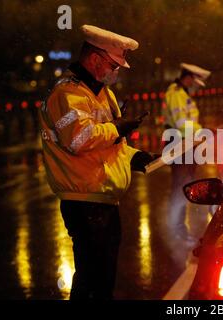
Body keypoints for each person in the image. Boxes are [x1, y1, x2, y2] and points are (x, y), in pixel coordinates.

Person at [39, 25, 155, 299]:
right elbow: (78, 139)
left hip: (103, 201)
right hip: (84, 201)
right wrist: (117, 127)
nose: (117, 72)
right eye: (114, 65)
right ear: (94, 59)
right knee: (92, 283)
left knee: (102, 282)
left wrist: (134, 157)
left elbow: (110, 146)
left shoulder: (102, 94)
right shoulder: (67, 95)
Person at [163, 63, 210, 246]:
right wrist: (203, 131)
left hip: (186, 146)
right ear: (188, 77)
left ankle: (179, 230)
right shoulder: (175, 94)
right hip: (179, 145)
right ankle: (177, 231)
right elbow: (182, 124)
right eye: (194, 83)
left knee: (184, 187)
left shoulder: (183, 95)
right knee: (179, 188)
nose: (195, 87)